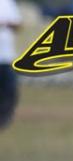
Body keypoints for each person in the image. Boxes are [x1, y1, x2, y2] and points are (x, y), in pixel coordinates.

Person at [0, 0, 21, 129]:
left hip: (6, 55)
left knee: (9, 89)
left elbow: (18, 24)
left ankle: (5, 118)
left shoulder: (7, 2)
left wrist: (7, 24)